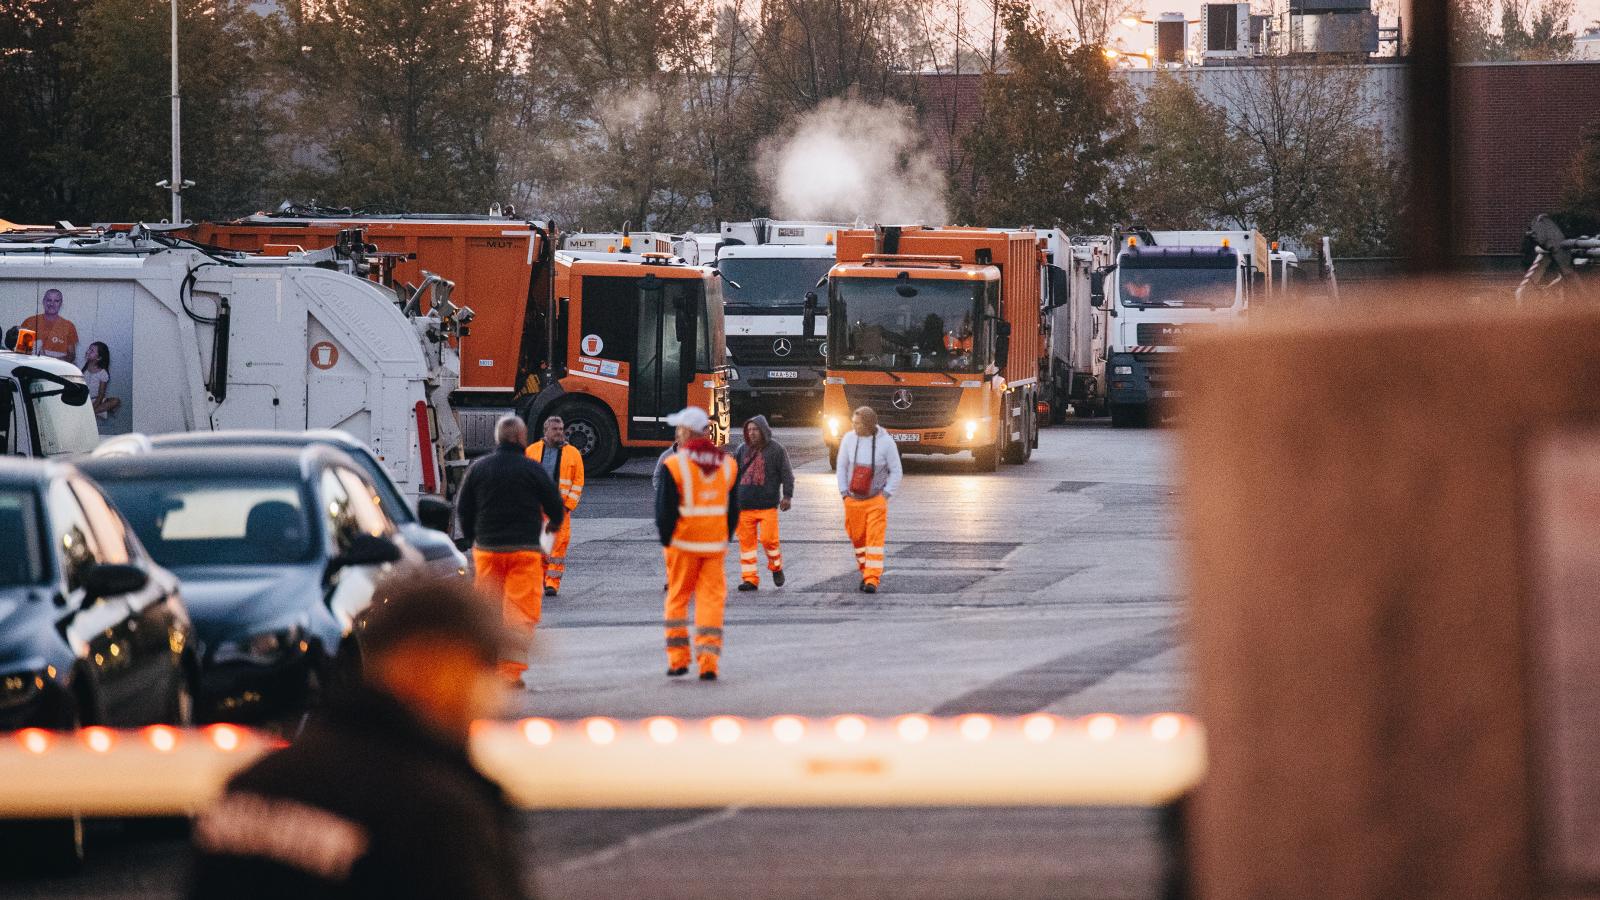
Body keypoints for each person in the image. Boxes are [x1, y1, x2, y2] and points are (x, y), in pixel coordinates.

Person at [189, 573, 531, 900]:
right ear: (433, 665)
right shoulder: (434, 810)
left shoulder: (255, 784)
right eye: (485, 665)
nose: (496, 691)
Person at [456, 415, 565, 685]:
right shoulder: (532, 469)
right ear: (520, 438)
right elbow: (555, 506)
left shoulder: (479, 468)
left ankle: (485, 663)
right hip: (524, 551)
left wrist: (473, 539)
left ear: (498, 438)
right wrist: (550, 529)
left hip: (488, 549)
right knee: (520, 612)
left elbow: (464, 508)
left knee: (488, 608)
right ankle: (510, 672)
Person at [655, 406, 740, 680]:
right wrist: (725, 536)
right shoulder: (727, 464)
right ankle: (708, 663)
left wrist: (667, 539)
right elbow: (733, 508)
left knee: (677, 600)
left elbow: (664, 509)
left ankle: (679, 660)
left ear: (685, 432)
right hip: (714, 545)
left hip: (683, 543)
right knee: (711, 602)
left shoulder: (674, 464)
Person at [836, 405, 902, 594]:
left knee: (874, 540)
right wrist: (843, 493)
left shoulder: (886, 443)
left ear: (869, 424)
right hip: (852, 500)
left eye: (858, 424)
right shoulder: (848, 440)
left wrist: (886, 495)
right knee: (857, 539)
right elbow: (841, 467)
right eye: (853, 423)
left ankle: (872, 578)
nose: (854, 427)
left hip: (875, 501)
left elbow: (896, 471)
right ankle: (865, 571)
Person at [733, 415, 794, 592]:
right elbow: (734, 475)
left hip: (767, 505)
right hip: (744, 506)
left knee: (769, 540)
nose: (751, 433)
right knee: (747, 545)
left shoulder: (776, 450)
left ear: (763, 430)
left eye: (755, 429)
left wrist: (787, 496)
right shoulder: (741, 450)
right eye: (749, 430)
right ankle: (750, 579)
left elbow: (787, 474)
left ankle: (776, 567)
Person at [524, 416, 583, 597]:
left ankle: (552, 584)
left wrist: (568, 506)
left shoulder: (573, 453)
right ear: (546, 431)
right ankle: (543, 579)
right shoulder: (531, 451)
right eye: (555, 429)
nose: (559, 432)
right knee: (540, 547)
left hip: (560, 509)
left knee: (558, 547)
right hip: (537, 508)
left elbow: (578, 482)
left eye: (561, 429)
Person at [21, 289, 78, 362]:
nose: (52, 304)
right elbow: (22, 352)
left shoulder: (69, 326)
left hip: (57, 370)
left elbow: (71, 356)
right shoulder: (29, 322)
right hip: (33, 368)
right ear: (43, 301)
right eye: (49, 300)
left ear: (61, 303)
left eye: (56, 301)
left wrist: (48, 359)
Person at [82, 341, 121, 421]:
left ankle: (90, 413)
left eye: (92, 351)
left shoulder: (103, 373)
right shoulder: (84, 368)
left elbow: (101, 395)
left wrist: (94, 406)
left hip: (95, 400)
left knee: (116, 401)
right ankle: (92, 412)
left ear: (99, 358)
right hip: (83, 399)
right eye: (89, 349)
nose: (88, 351)